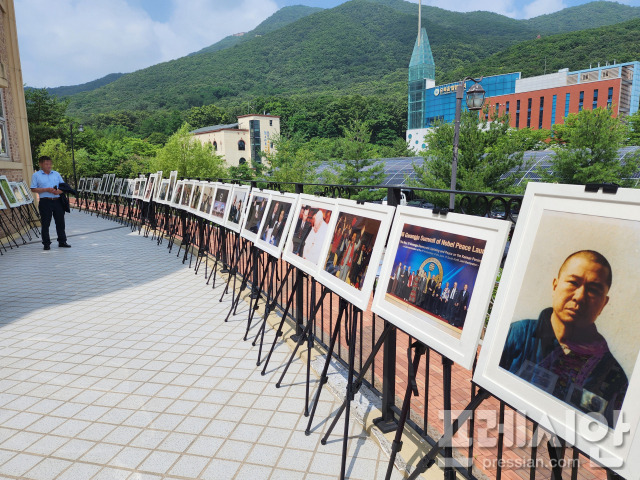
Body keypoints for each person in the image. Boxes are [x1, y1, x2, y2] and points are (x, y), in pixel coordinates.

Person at [499, 250, 628, 427]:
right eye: (573, 283)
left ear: (604, 303)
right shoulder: (518, 334)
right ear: (555, 286)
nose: (580, 296)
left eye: (593, 290)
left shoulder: (614, 375)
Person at [30, 156, 70, 250]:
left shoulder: (56, 174)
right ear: (41, 164)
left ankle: (62, 241)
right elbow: (33, 188)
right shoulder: (36, 175)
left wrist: (59, 191)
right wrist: (46, 189)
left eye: (50, 164)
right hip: (45, 202)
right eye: (46, 164)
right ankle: (46, 243)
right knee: (45, 223)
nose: (49, 166)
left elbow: (64, 186)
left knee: (60, 222)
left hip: (58, 201)